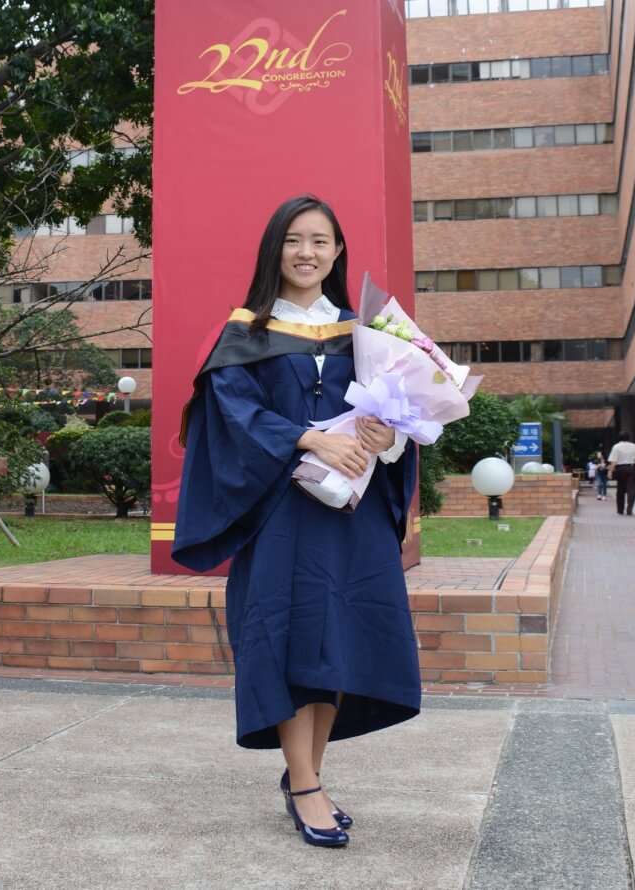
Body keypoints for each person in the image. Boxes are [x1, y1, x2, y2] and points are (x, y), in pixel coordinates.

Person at [172, 195, 420, 848]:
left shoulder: (366, 334)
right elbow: (231, 415)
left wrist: (388, 435)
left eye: (319, 241)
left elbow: (402, 419)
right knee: (287, 639)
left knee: (336, 637)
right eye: (293, 240)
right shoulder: (245, 333)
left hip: (352, 515)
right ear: (274, 250)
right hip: (281, 514)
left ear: (337, 252)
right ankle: (305, 785)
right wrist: (308, 439)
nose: (306, 252)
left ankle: (307, 774)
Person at [608, 430, 635, 515]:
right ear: (628, 438)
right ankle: (629, 508)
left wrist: (610, 471)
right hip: (632, 468)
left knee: (620, 489)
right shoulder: (634, 446)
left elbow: (613, 461)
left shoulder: (616, 447)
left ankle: (620, 509)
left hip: (620, 469)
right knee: (632, 489)